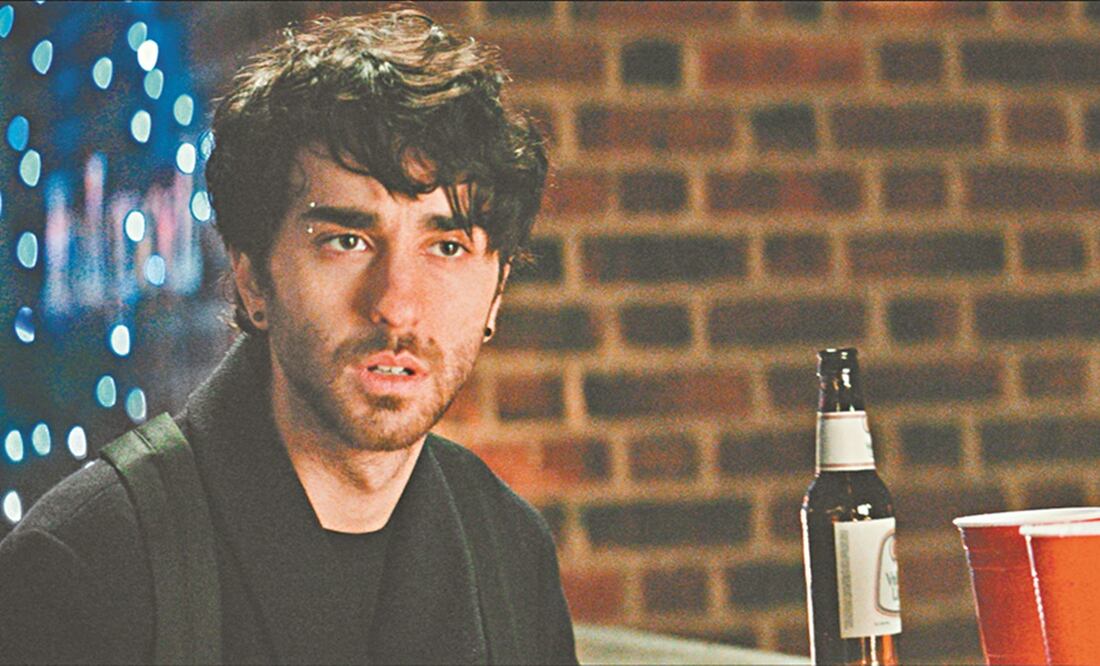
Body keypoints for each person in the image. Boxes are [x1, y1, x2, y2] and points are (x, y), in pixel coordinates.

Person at [0, 8, 576, 664]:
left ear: (496, 291)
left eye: (447, 246)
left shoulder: (508, 549)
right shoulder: (85, 563)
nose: (397, 306)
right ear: (253, 277)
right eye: (347, 241)